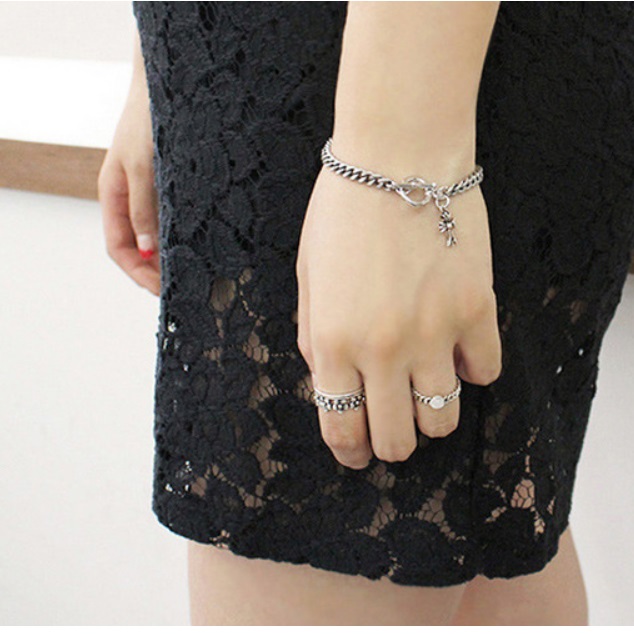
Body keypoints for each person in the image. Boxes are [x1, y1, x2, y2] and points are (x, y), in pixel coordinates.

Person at [98, 1, 634, 625]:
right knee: (482, 527)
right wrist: (154, 67)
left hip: (377, 74)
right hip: (261, 53)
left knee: (357, 509)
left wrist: (395, 165)